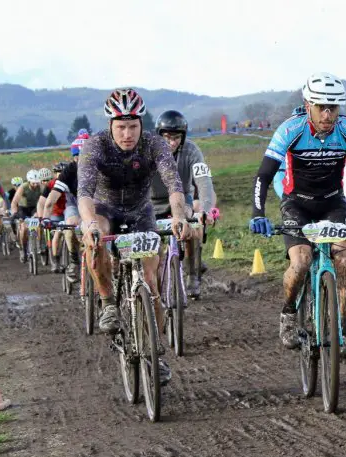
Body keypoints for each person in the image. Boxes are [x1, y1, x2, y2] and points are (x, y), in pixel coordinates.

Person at [249, 72, 346, 359]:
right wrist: (258, 212)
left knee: (344, 259)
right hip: (297, 204)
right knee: (302, 260)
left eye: (334, 107)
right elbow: (264, 175)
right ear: (308, 104)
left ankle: (341, 333)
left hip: (334, 204)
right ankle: (287, 314)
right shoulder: (291, 129)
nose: (328, 114)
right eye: (322, 107)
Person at [78, 88, 190, 384]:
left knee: (151, 284)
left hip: (142, 212)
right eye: (120, 127)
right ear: (110, 126)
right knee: (97, 235)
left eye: (133, 126)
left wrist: (179, 215)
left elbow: (173, 184)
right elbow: (85, 194)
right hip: (105, 210)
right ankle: (109, 303)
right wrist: (88, 223)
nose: (127, 133)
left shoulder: (154, 144)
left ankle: (157, 354)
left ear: (142, 123)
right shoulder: (95, 146)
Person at [151, 110, 216, 299]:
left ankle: (192, 274)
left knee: (194, 225)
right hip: (152, 202)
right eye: (167, 138)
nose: (171, 143)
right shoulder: (148, 150)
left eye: (176, 138)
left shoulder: (192, 150)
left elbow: (203, 181)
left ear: (183, 137)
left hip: (182, 201)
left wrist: (205, 209)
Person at [43, 136, 88, 281]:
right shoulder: (68, 171)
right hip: (74, 204)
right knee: (70, 226)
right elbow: (51, 199)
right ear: (73, 158)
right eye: (77, 157)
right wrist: (45, 218)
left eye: (86, 156)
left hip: (95, 205)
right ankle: (74, 262)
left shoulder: (101, 167)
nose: (81, 161)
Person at [39, 164, 68, 272]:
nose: (61, 174)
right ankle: (55, 261)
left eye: (63, 172)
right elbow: (41, 202)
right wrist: (42, 217)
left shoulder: (72, 181)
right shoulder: (51, 184)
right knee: (57, 234)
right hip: (56, 214)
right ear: (55, 174)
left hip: (70, 213)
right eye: (59, 172)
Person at [11, 170, 43, 263]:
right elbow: (14, 202)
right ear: (29, 181)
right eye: (33, 183)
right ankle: (23, 249)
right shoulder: (23, 187)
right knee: (24, 228)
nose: (35, 185)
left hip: (34, 208)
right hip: (23, 209)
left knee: (38, 222)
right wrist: (14, 213)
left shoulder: (40, 187)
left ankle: (39, 244)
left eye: (37, 183)